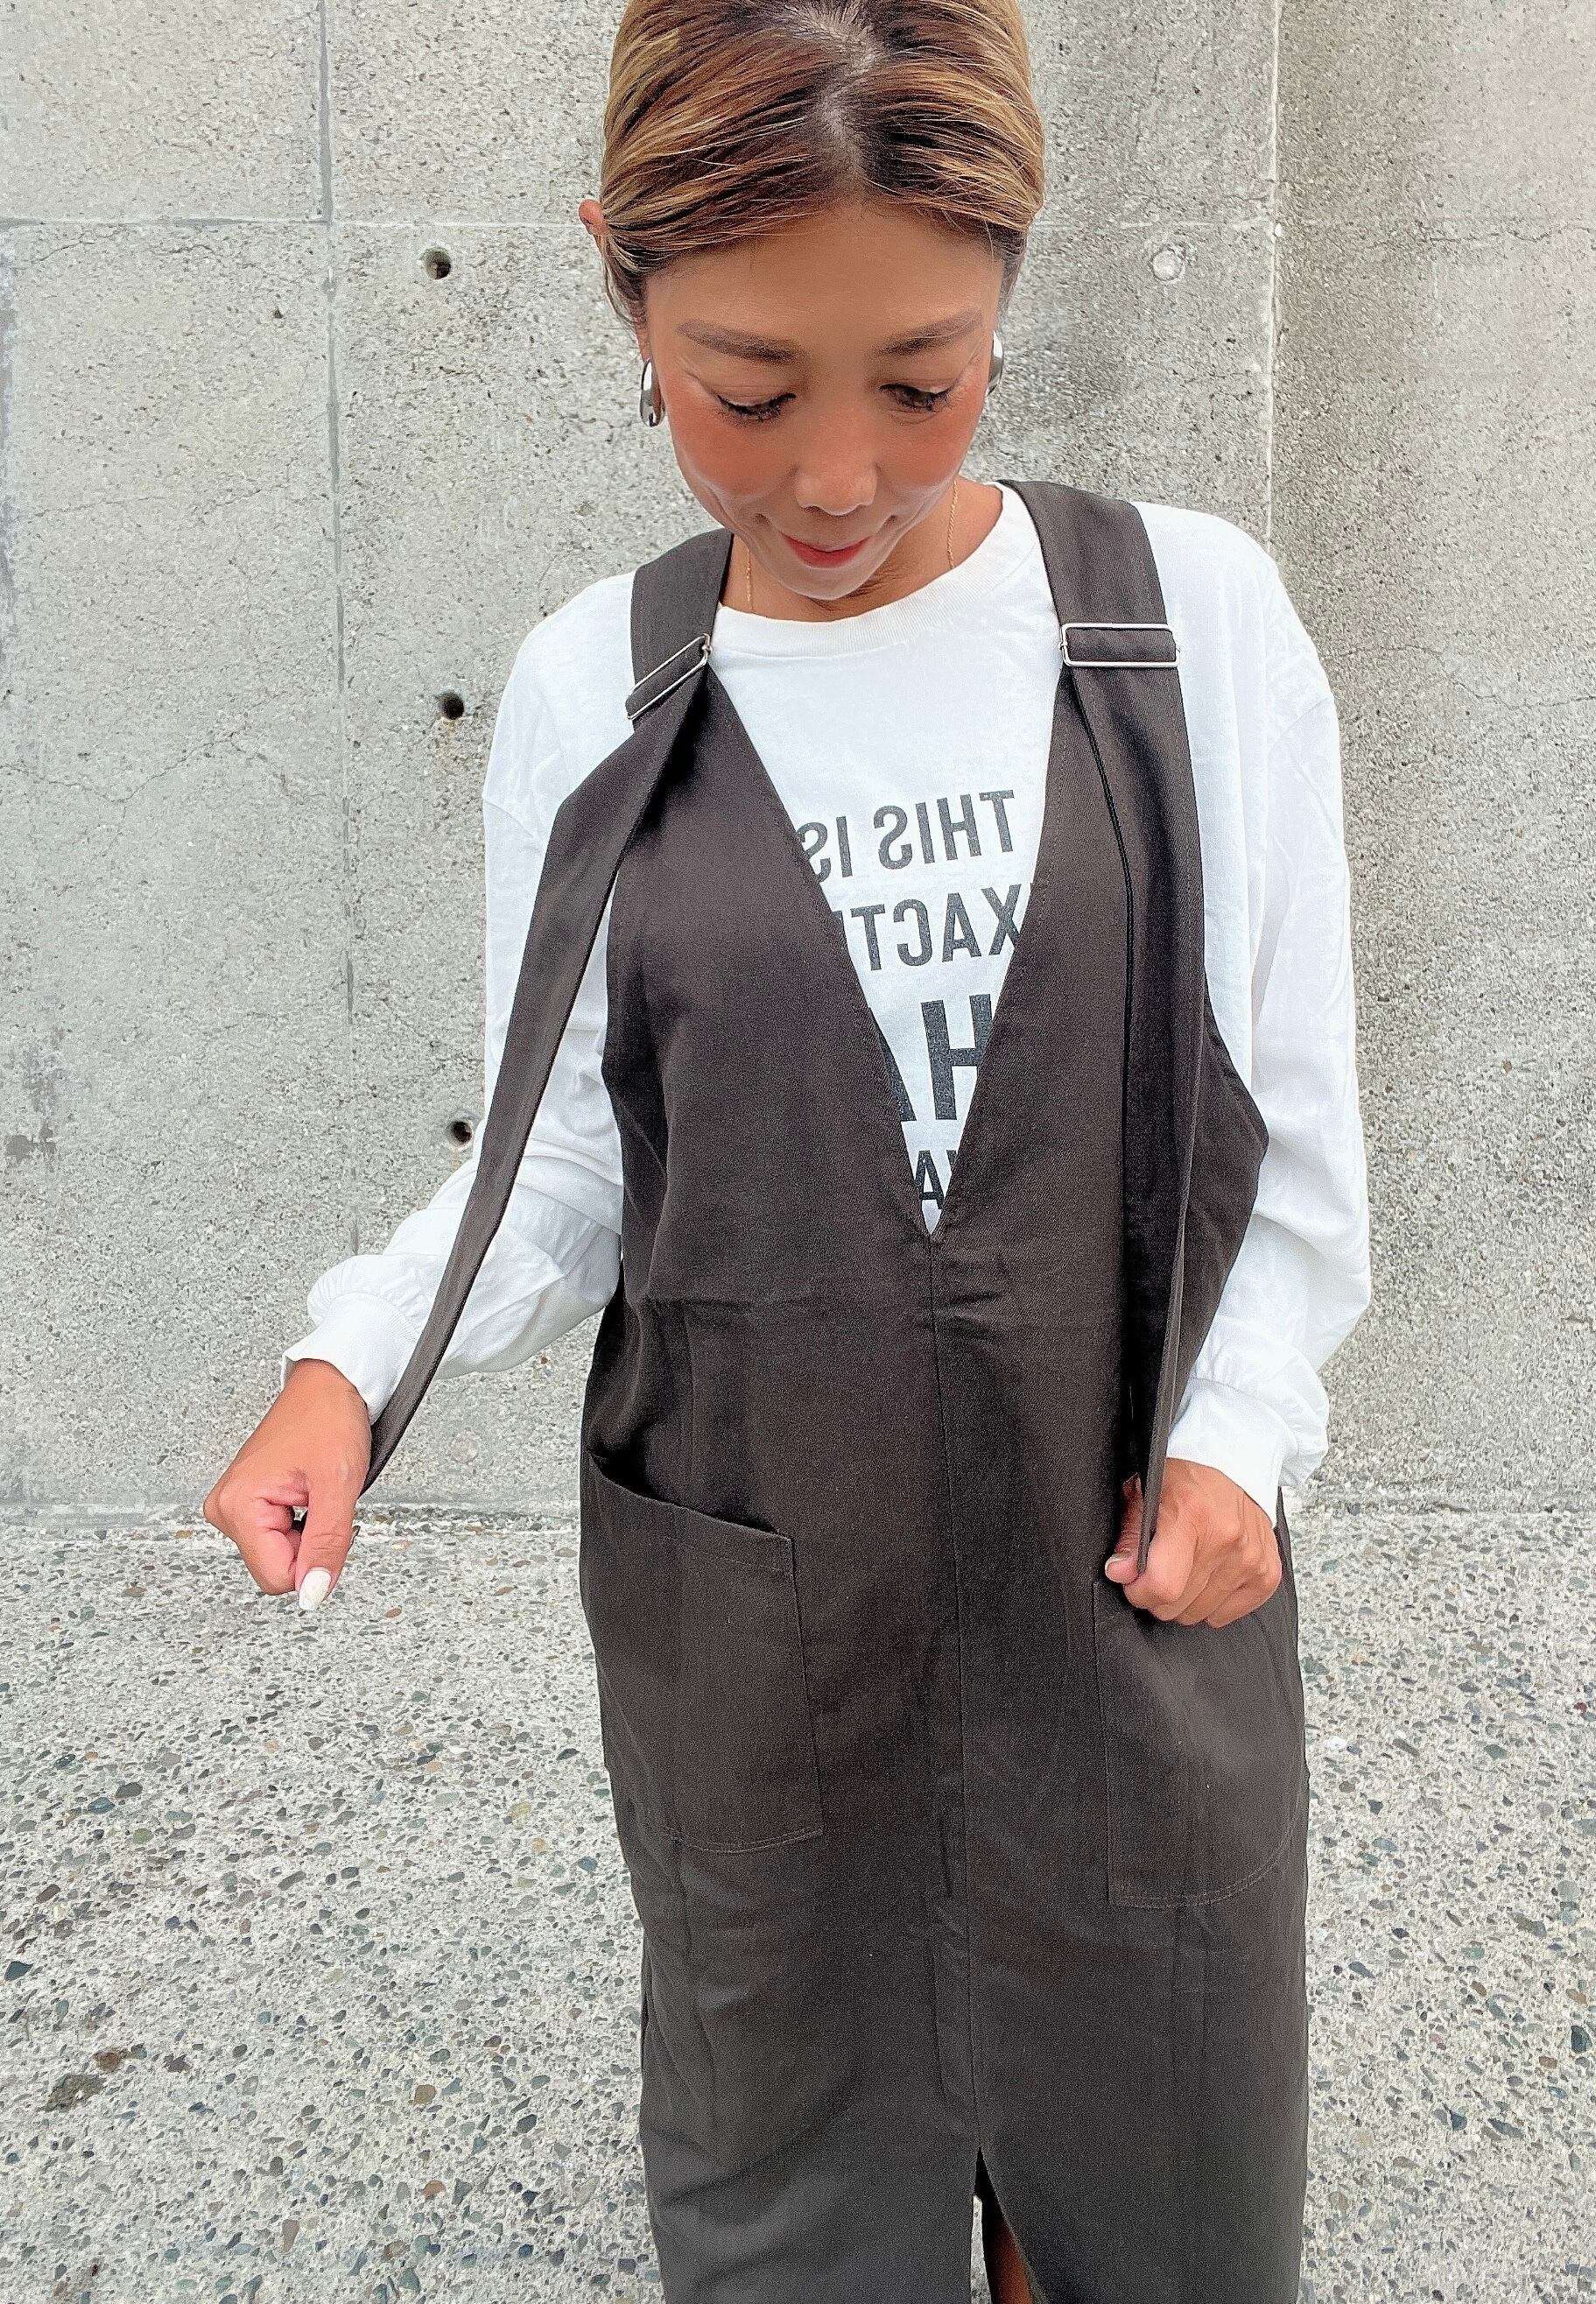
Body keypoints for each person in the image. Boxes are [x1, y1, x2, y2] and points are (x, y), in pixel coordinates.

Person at [204, 3, 1372, 2296]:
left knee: (1149, 2176)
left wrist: (1244, 1436)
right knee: (794, 2194)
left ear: (1011, 283)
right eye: (748, 391)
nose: (839, 477)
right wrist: (351, 1365)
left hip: (1124, 1588)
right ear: (621, 280)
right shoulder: (598, 690)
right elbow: (567, 1159)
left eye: (924, 380)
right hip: (769, 1644)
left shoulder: (1189, 628)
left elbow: (1294, 1122)